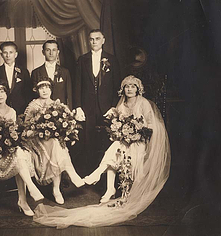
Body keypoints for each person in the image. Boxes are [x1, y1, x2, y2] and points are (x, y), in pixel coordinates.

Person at [33, 75, 170, 228]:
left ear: (138, 89)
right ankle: (109, 187)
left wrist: (136, 134)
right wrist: (120, 133)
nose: (129, 89)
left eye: (133, 86)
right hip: (124, 140)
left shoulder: (144, 103)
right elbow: (116, 123)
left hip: (139, 141)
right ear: (123, 89)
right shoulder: (121, 104)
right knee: (113, 150)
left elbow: (151, 126)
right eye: (127, 86)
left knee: (121, 152)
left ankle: (97, 174)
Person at [0, 81, 44, 216]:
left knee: (20, 155)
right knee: (19, 156)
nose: (0, 95)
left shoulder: (12, 112)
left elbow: (12, 134)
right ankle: (26, 195)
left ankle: (23, 200)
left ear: (7, 94)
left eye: (2, 92)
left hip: (8, 149)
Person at [24, 77, 85, 205]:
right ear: (37, 90)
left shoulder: (57, 105)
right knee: (56, 144)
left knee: (56, 144)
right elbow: (27, 126)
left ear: (51, 89)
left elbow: (67, 122)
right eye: (41, 88)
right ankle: (70, 174)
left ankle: (56, 189)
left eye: (47, 87)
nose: (44, 90)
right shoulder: (33, 105)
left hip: (52, 139)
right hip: (37, 138)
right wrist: (38, 129)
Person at [73, 29, 121, 173]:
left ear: (103, 40)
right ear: (89, 41)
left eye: (97, 39)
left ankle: (106, 173)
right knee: (89, 138)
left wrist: (114, 106)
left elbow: (116, 85)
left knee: (107, 138)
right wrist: (78, 106)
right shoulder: (82, 59)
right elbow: (77, 85)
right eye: (92, 39)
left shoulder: (111, 59)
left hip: (106, 106)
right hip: (87, 106)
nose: (94, 42)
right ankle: (90, 171)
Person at [0, 41, 33, 115]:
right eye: (5, 52)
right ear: (1, 54)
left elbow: (28, 93)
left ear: (15, 54)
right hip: (2, 111)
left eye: (11, 52)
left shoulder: (24, 71)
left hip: (21, 110)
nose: (8, 55)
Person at [31, 40, 72, 109]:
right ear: (43, 52)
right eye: (48, 50)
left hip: (61, 111)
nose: (51, 53)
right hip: (41, 111)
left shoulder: (65, 72)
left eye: (54, 50)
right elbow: (33, 95)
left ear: (58, 52)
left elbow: (69, 94)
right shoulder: (36, 72)